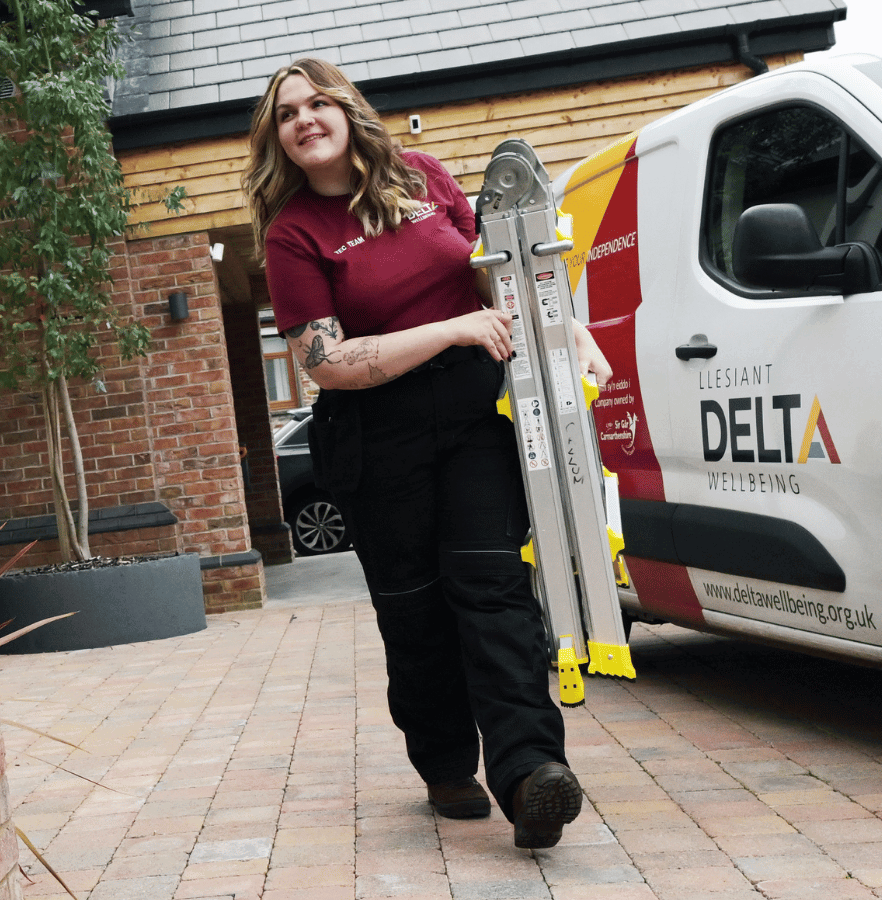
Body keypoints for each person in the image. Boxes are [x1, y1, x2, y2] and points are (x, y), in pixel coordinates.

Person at [242, 58, 612, 850]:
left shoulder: (423, 176)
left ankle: (528, 775)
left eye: (317, 102)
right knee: (414, 610)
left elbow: (495, 283)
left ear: (347, 109)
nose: (304, 118)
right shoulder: (294, 233)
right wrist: (448, 331)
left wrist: (567, 332)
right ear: (276, 139)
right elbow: (326, 362)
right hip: (377, 435)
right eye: (285, 114)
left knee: (493, 587)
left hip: (475, 415)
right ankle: (445, 762)